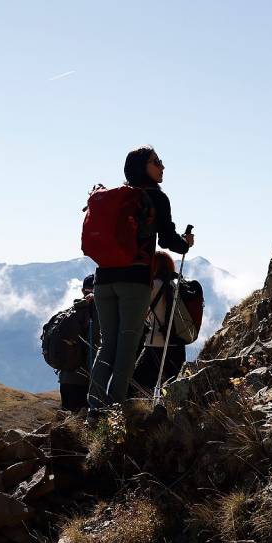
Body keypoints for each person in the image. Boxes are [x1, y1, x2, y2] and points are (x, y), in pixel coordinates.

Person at [87, 145, 193, 409]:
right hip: (134, 280)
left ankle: (94, 410)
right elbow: (169, 240)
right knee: (127, 344)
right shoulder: (156, 197)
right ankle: (115, 411)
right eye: (156, 162)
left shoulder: (117, 197)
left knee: (107, 345)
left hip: (103, 279)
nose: (162, 166)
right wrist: (186, 242)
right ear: (143, 167)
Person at [133, 252, 188, 393]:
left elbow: (139, 313)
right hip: (178, 342)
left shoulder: (152, 286)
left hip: (156, 342)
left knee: (138, 384)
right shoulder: (178, 284)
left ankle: (143, 412)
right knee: (172, 387)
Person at [53, 276, 94, 413]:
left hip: (65, 376)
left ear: (83, 291)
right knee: (80, 423)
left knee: (66, 419)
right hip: (84, 380)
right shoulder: (94, 315)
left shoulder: (71, 312)